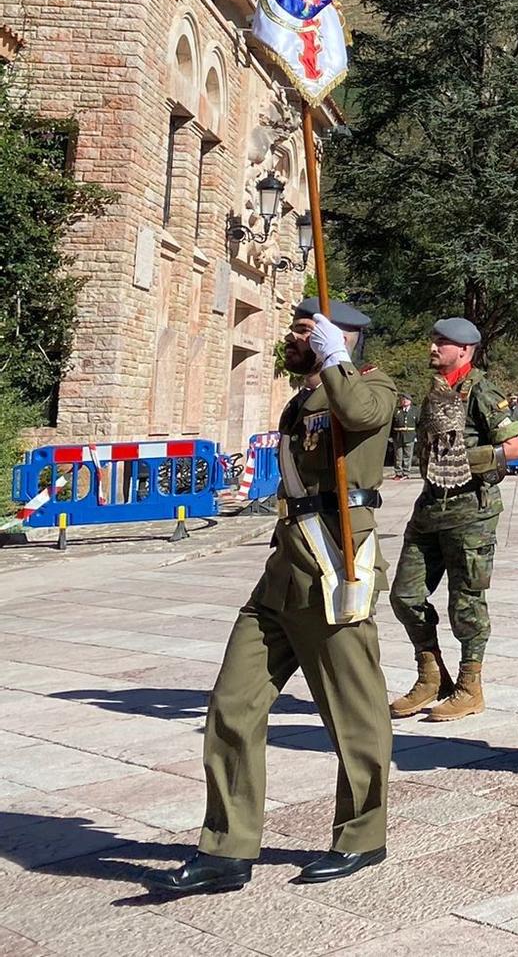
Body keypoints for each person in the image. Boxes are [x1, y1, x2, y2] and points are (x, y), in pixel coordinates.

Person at [145, 301, 395, 894]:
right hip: (284, 570)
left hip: (335, 564)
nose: (292, 335)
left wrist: (338, 358)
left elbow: (359, 416)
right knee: (233, 704)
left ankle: (363, 834)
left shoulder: (369, 385)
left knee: (353, 713)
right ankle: (227, 848)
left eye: (306, 330)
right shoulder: (300, 399)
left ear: (340, 338)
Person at [388, 317, 518, 723]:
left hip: (471, 511)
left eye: (442, 343)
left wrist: (467, 461)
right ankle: (431, 677)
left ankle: (470, 686)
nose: (433, 348)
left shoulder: (481, 391)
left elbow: (514, 448)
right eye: (433, 341)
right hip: (430, 507)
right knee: (405, 596)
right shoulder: (437, 391)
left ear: (465, 351)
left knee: (466, 604)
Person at [390, 394, 417, 480]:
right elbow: (392, 424)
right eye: (403, 400)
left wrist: (417, 435)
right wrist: (391, 436)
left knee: (408, 455)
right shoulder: (397, 411)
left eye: (407, 400)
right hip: (398, 436)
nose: (404, 401)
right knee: (398, 456)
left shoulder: (415, 410)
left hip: (410, 435)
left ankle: (406, 472)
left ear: (410, 401)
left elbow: (418, 424)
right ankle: (398, 473)